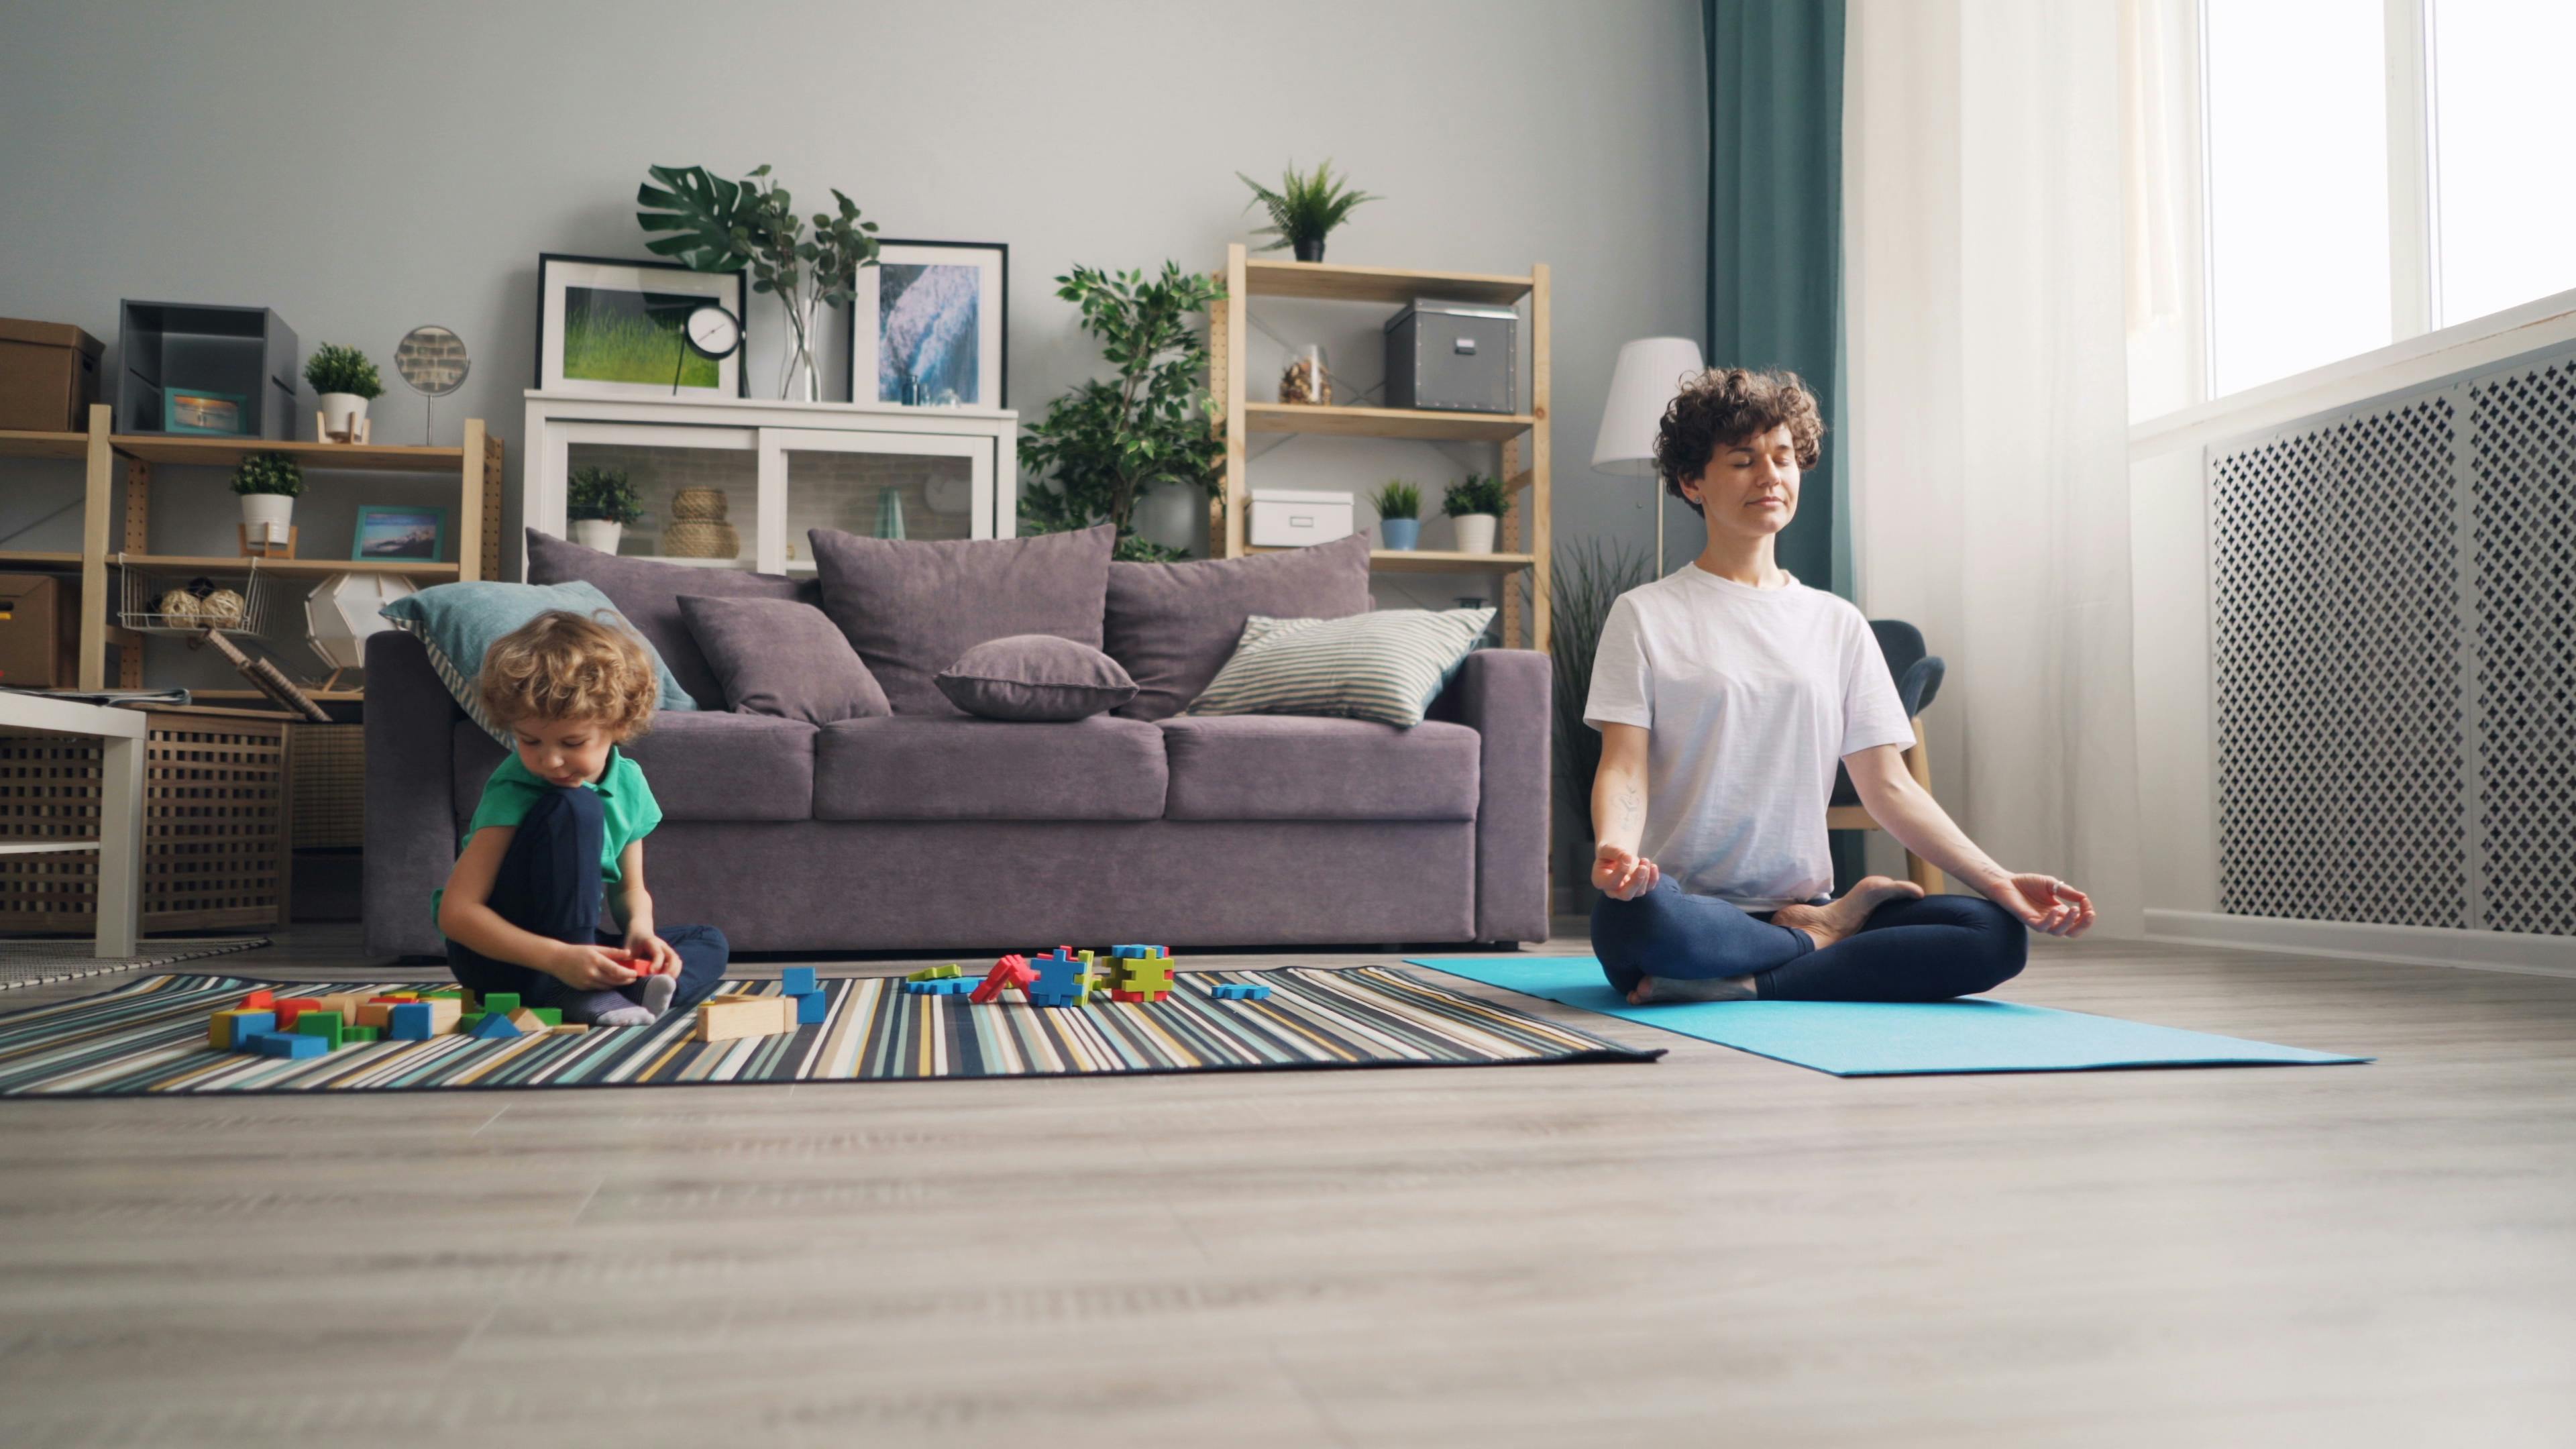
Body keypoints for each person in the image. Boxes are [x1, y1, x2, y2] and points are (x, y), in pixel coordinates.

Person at [1586, 368, 2093, 1005]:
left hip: (1798, 900)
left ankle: (1756, 972)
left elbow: (1888, 785)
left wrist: (2000, 880)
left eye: (1783, 457)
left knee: (1992, 932)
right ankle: (1817, 942)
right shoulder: (1645, 614)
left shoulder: (1836, 622)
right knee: (1642, 921)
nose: (1770, 475)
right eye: (1743, 461)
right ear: (1693, 482)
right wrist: (1618, 852)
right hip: (1680, 902)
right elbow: (1624, 767)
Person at [435, 610, 729, 1025]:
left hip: (575, 953)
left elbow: (629, 892)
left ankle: (631, 986)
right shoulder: (514, 787)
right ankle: (576, 990)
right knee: (575, 804)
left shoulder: (628, 783)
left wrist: (641, 933)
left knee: (707, 942)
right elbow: (458, 913)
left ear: (619, 724)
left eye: (572, 742)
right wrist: (557, 957)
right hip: (504, 959)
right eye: (529, 740)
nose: (550, 760)